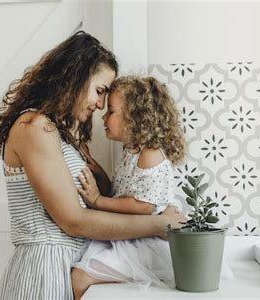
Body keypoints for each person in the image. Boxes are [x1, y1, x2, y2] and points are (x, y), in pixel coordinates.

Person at [0, 31, 185, 300]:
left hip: (69, 266)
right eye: (99, 91)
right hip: (44, 272)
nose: (100, 104)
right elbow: (74, 221)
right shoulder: (34, 127)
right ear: (74, 79)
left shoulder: (55, 131)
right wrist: (159, 225)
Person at [71, 76, 186, 299]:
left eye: (111, 111)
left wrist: (97, 201)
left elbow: (142, 206)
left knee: (79, 277)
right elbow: (119, 193)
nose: (103, 116)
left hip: (146, 240)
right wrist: (98, 172)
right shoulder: (131, 152)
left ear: (135, 118)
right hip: (133, 234)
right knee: (80, 272)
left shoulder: (149, 153)